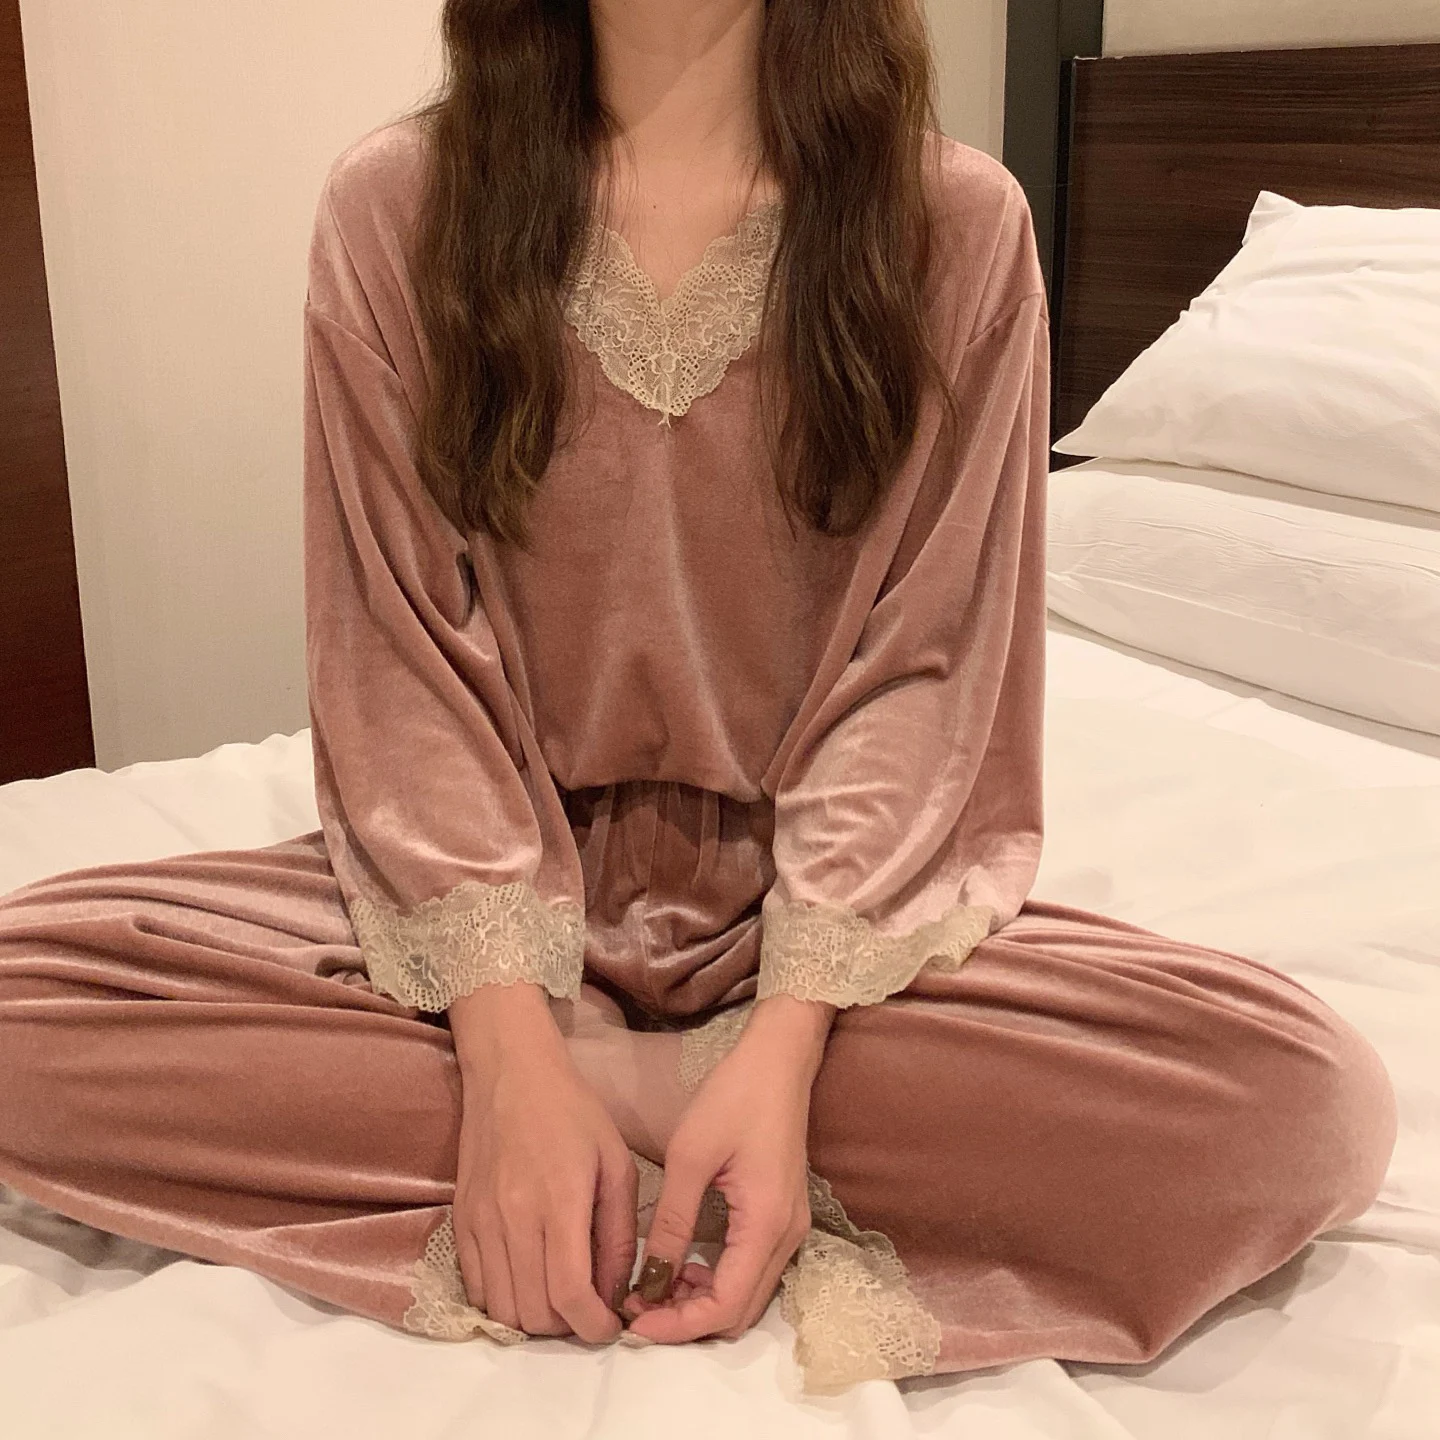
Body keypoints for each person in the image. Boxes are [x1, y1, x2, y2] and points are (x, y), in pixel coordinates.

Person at [0, 0, 1397, 1396]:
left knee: (1298, 1109)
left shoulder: (955, 228)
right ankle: (598, 1113)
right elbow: (402, 660)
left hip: (825, 910)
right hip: (490, 888)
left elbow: (922, 673)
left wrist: (783, 1041)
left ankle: (655, 1116)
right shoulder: (399, 208)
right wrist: (512, 1041)